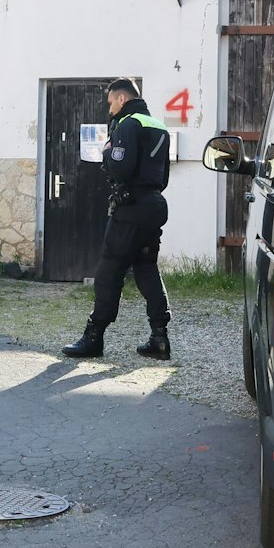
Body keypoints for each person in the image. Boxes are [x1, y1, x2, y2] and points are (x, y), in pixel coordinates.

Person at [63, 78, 172, 360]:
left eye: (111, 102)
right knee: (146, 268)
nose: (110, 108)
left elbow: (121, 168)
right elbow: (163, 177)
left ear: (122, 99)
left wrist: (107, 152)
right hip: (154, 206)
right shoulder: (159, 127)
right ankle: (159, 338)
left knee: (110, 271)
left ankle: (93, 337)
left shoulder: (128, 124)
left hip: (131, 208)